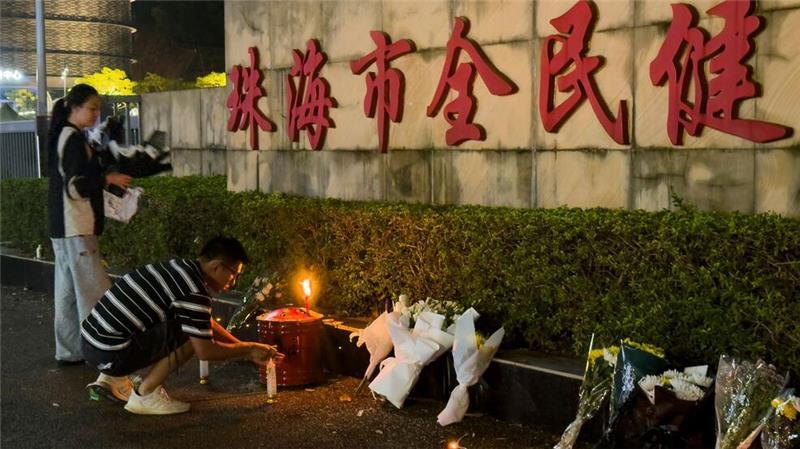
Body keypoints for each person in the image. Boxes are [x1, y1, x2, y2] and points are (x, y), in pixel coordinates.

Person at [81, 236, 284, 415]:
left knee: (190, 325)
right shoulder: (194, 290)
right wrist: (248, 350)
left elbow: (204, 322)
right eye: (233, 274)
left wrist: (242, 345)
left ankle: (111, 379)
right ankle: (145, 395)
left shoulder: (181, 269)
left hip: (93, 344)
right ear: (216, 266)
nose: (233, 282)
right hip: (111, 353)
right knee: (190, 336)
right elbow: (205, 350)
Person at [47, 84, 132, 364]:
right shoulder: (72, 139)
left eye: (98, 108)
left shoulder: (65, 135)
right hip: (77, 226)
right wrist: (108, 179)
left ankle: (69, 351)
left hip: (63, 227)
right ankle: (104, 355)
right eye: (92, 108)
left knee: (68, 292)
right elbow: (76, 186)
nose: (97, 114)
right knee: (94, 292)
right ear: (75, 107)